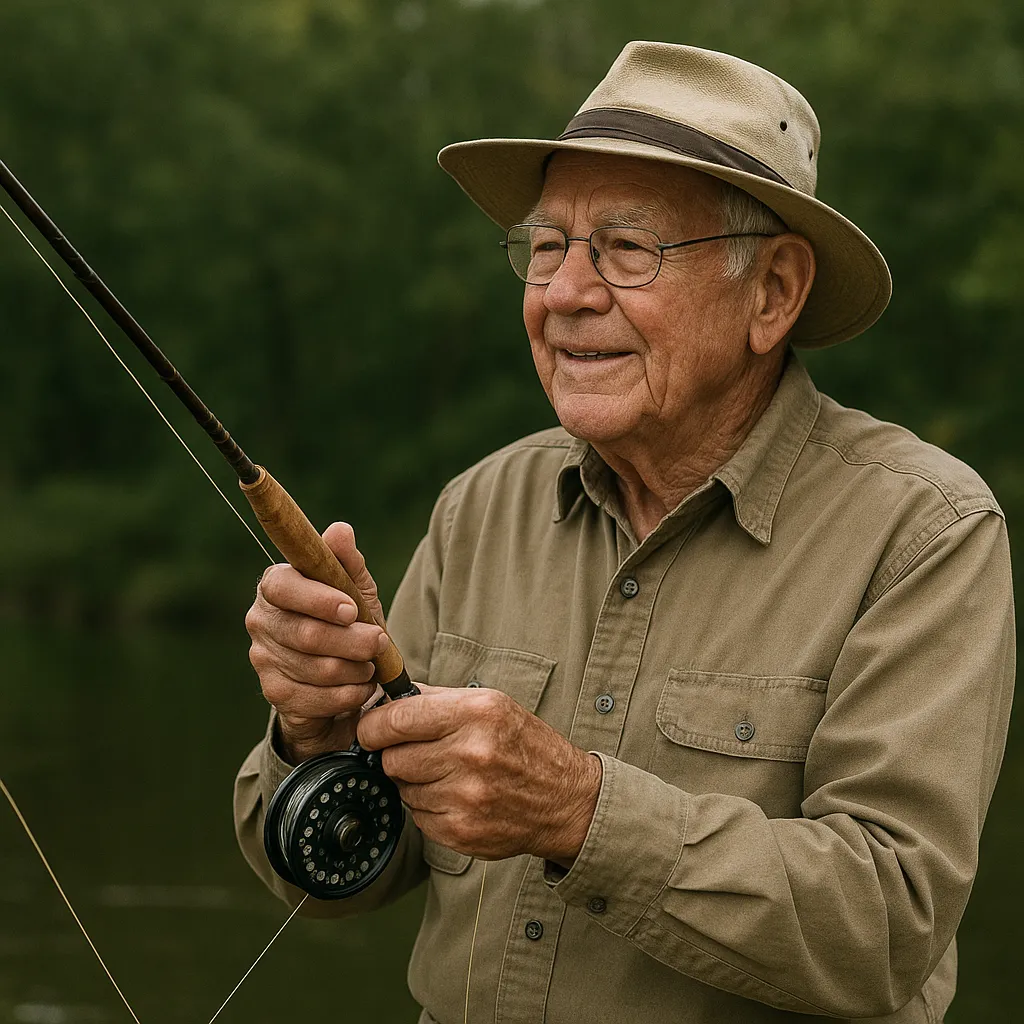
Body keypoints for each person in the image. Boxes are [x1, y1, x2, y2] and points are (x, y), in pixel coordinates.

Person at [234, 41, 1014, 1023]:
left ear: (772, 292)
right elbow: (336, 880)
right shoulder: (482, 503)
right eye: (546, 246)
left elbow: (888, 930)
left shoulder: (923, 530)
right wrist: (320, 731)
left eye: (627, 248)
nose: (563, 292)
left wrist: (576, 809)